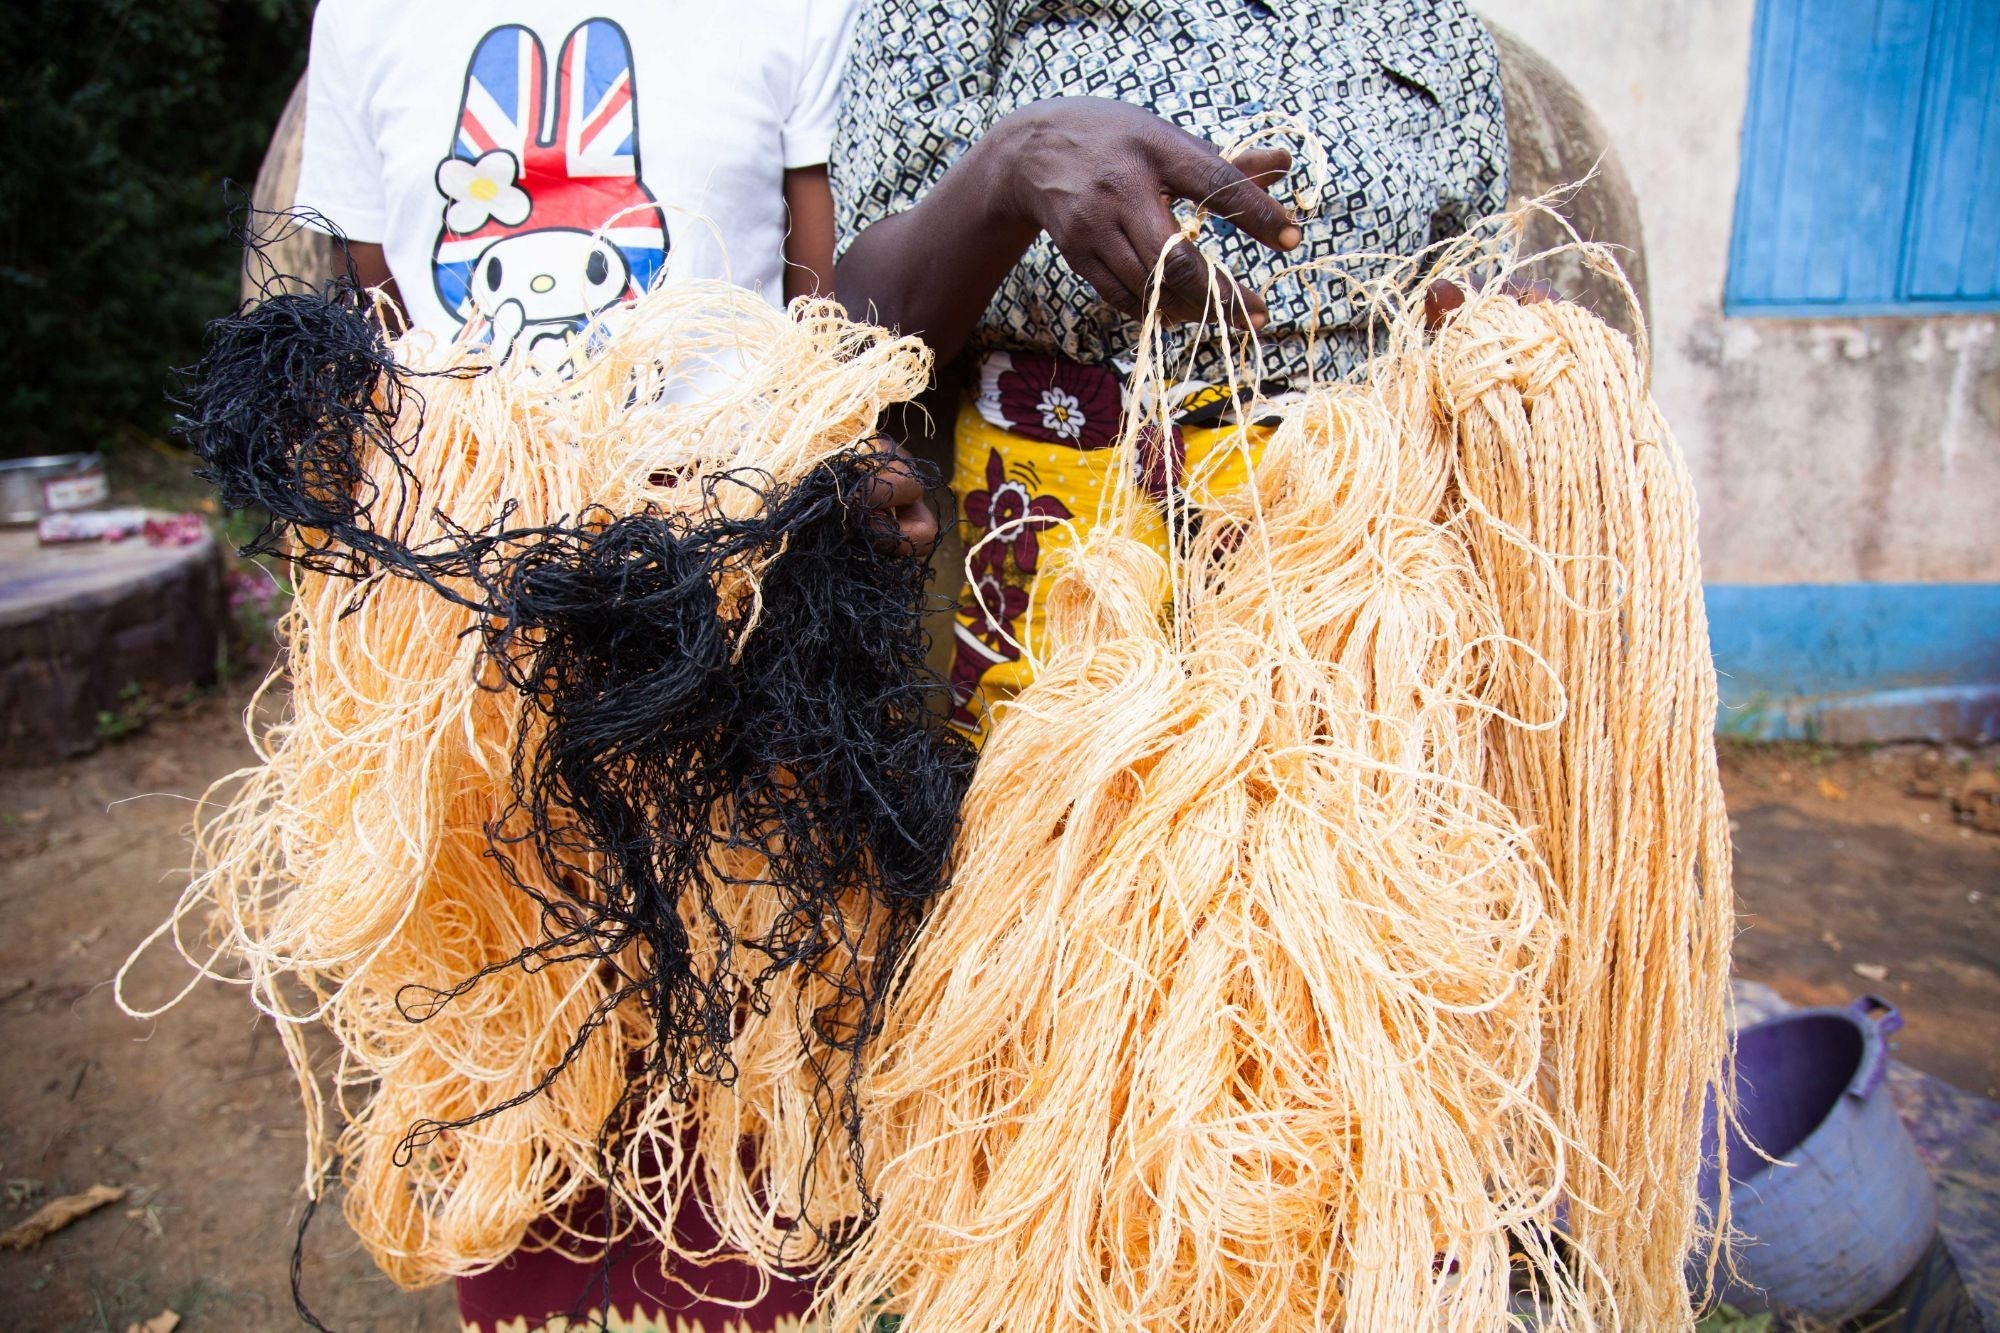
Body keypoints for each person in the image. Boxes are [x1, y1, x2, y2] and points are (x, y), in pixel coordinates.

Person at [289, 3, 920, 1330]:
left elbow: (824, 314)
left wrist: (842, 468)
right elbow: (374, 322)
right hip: (463, 661)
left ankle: (737, 1282)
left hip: (726, 628)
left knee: (747, 1044)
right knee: (512, 1046)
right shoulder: (369, 16)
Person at [828, 0, 1513, 730]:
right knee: (1066, 818)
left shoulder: (1436, 25)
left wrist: (1510, 333)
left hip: (1342, 591)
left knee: (1313, 824)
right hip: (1058, 581)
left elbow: (1462, 307)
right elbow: (869, 327)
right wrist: (1017, 159)